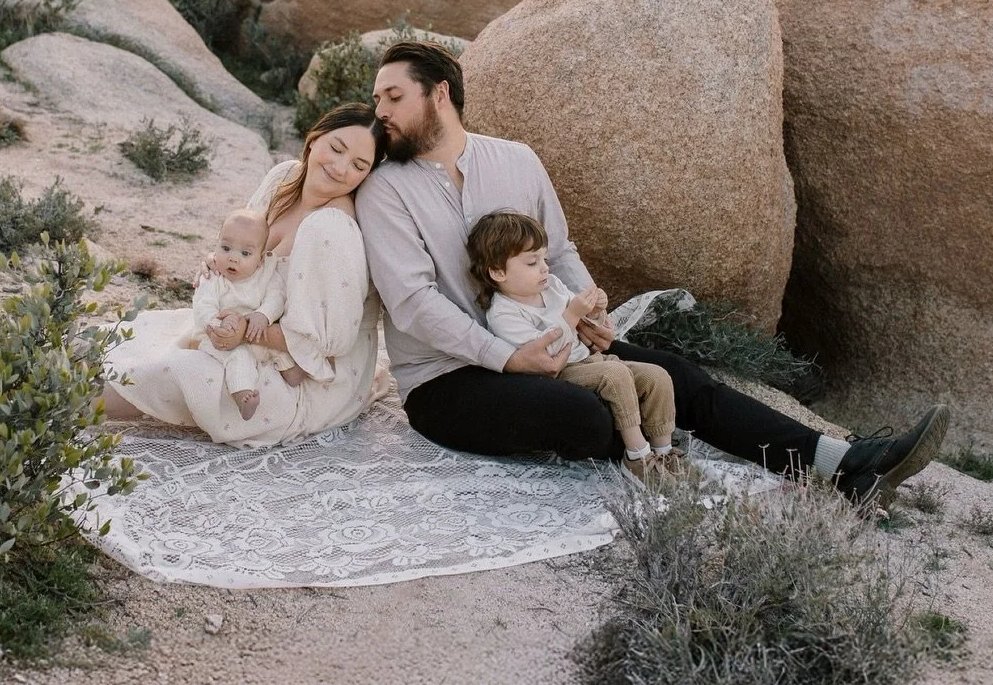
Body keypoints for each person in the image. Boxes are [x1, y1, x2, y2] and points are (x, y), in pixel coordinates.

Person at [355, 41, 949, 507]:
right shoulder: (385, 189)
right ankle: (649, 440)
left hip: (556, 344)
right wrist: (507, 357)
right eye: (377, 100)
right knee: (587, 419)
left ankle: (842, 464)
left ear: (439, 93)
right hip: (449, 379)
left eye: (392, 97)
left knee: (680, 376)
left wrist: (592, 314)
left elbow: (558, 252)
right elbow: (410, 302)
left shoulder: (516, 159)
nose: (380, 112)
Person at [103, 103, 389, 447]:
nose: (341, 168)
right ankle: (51, 387)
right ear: (314, 139)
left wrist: (246, 332)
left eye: (359, 165)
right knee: (126, 340)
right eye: (337, 148)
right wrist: (217, 261)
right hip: (244, 332)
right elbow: (241, 245)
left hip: (304, 379)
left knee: (172, 374)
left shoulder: (332, 228)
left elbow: (326, 345)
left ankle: (60, 410)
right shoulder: (284, 178)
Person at [468, 209, 683, 481]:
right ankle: (637, 456)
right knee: (615, 376)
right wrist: (571, 314)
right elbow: (544, 355)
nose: (545, 268)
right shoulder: (503, 313)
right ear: (498, 272)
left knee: (656, 376)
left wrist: (595, 309)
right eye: (532, 262)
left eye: (544, 258)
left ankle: (663, 453)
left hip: (589, 361)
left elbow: (582, 315)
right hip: (558, 374)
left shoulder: (552, 285)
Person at [184, 208, 299, 421]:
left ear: (260, 258)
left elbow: (277, 296)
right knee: (240, 358)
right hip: (217, 338)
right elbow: (202, 307)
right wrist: (220, 323)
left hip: (252, 330)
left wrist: (263, 315)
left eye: (245, 253)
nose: (233, 259)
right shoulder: (214, 276)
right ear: (215, 245)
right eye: (225, 248)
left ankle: (294, 376)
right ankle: (243, 396)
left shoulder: (266, 274)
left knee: (276, 351)